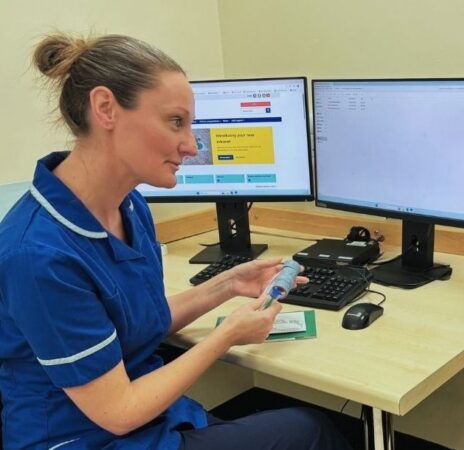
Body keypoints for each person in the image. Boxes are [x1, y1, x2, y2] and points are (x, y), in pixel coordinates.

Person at [0, 33, 352, 450]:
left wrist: (229, 284)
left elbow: (139, 323)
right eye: (175, 122)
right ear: (105, 108)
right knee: (311, 430)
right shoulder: (38, 255)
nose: (190, 145)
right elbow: (118, 412)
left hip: (149, 422)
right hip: (85, 439)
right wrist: (227, 334)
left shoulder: (129, 207)